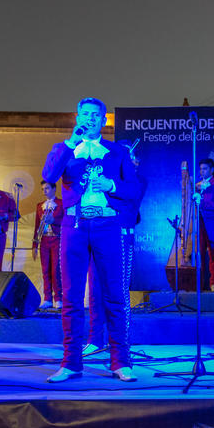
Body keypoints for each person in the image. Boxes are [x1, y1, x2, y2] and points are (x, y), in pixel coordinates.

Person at [41, 97, 139, 383]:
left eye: (96, 114)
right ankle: (71, 363)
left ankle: (121, 361)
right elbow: (49, 175)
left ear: (103, 119)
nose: (91, 118)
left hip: (108, 225)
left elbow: (133, 190)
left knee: (115, 295)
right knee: (71, 296)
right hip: (75, 225)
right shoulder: (65, 149)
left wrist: (112, 185)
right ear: (78, 117)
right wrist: (71, 143)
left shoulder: (117, 151)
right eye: (85, 114)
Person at [84, 139, 147, 355]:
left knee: (119, 290)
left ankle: (122, 339)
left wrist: (118, 178)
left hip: (122, 236)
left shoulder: (136, 181)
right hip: (99, 235)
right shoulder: (103, 176)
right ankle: (95, 338)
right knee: (95, 288)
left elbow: (131, 198)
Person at [193, 158, 214, 292]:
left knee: (213, 252)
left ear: (212, 170)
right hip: (198, 221)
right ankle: (198, 283)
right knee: (198, 252)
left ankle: (213, 283)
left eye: (205, 169)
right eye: (201, 169)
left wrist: (202, 202)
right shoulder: (197, 185)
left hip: (211, 222)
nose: (202, 171)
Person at [32, 180, 64, 309]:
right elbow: (36, 226)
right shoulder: (40, 205)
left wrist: (54, 220)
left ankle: (58, 298)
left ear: (54, 189)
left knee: (56, 269)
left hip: (57, 239)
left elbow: (66, 221)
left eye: (47, 188)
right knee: (45, 270)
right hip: (44, 240)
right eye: (42, 189)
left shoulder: (61, 204)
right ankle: (47, 298)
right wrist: (34, 245)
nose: (44, 191)